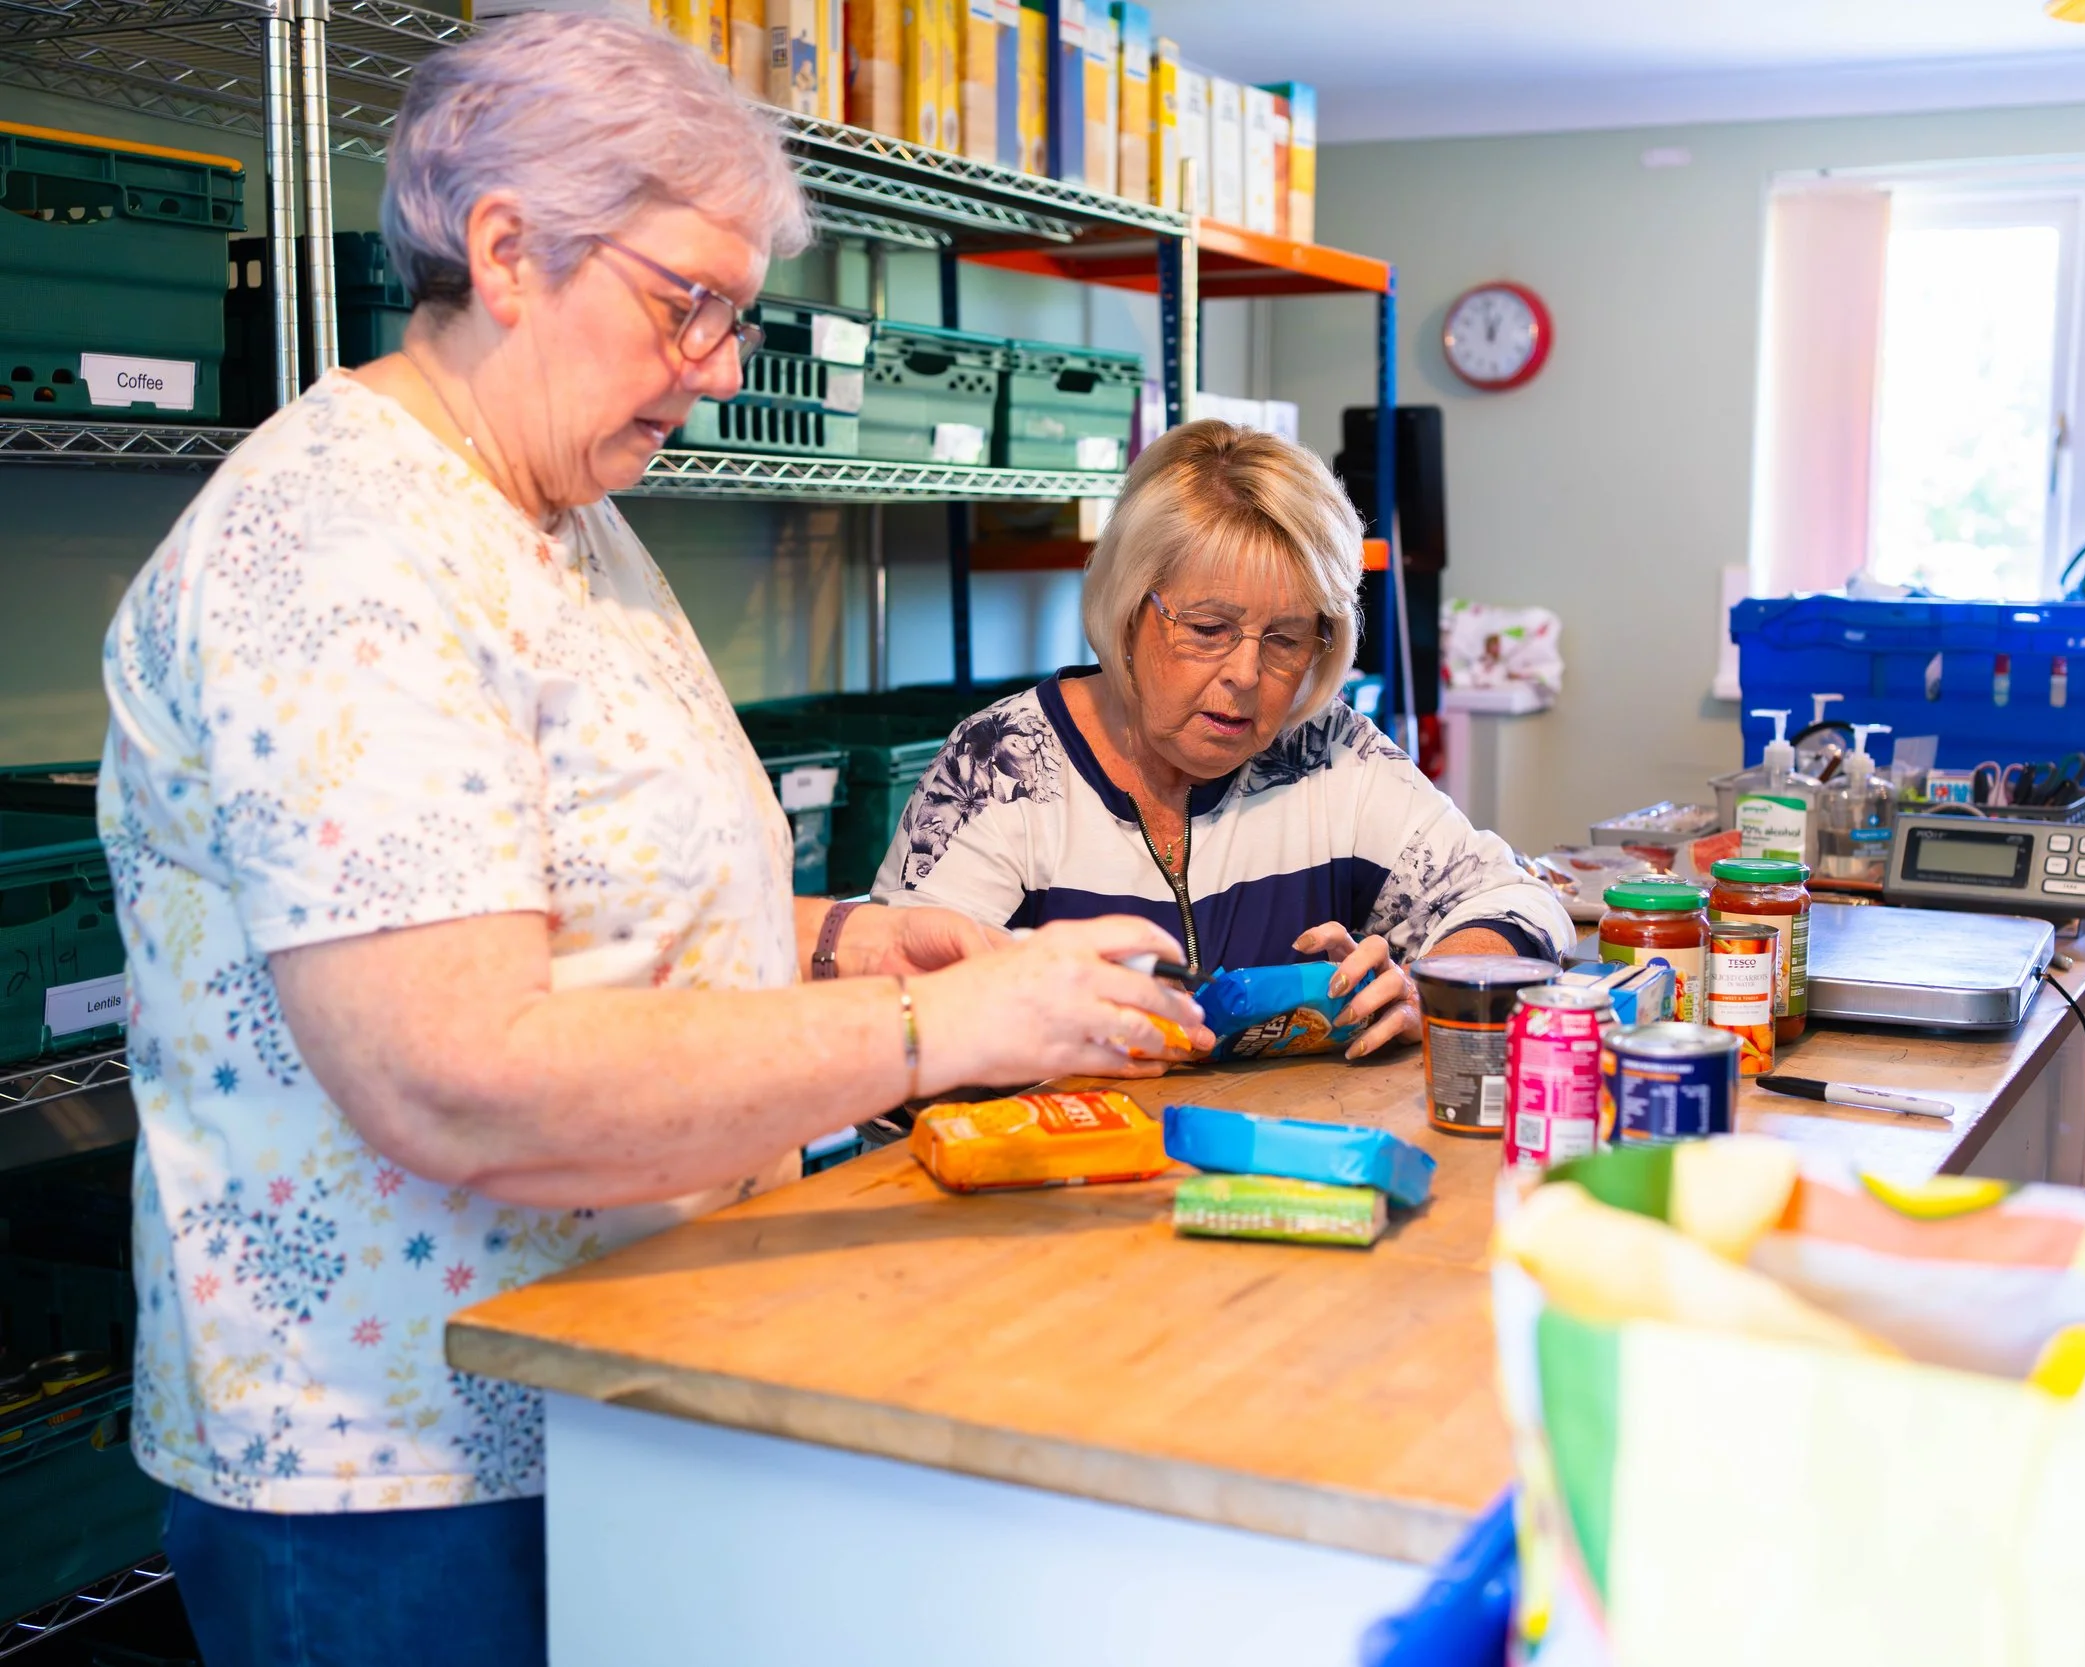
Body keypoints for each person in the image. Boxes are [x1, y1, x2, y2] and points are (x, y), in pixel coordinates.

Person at [95, 16, 1209, 1665]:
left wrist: (829, 938)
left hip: (603, 1376)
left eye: (733, 316)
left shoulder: (559, 514)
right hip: (403, 1462)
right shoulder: (342, 554)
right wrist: (924, 1030)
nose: (715, 362)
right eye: (683, 302)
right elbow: (452, 1068)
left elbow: (553, 890)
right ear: (509, 252)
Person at [873, 420, 1577, 1057]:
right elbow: (890, 1007)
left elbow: (1519, 900)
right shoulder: (1002, 766)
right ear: (1127, 611)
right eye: (1208, 629)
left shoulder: (1326, 754)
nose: (1246, 674)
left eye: (1285, 639)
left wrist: (1431, 985)